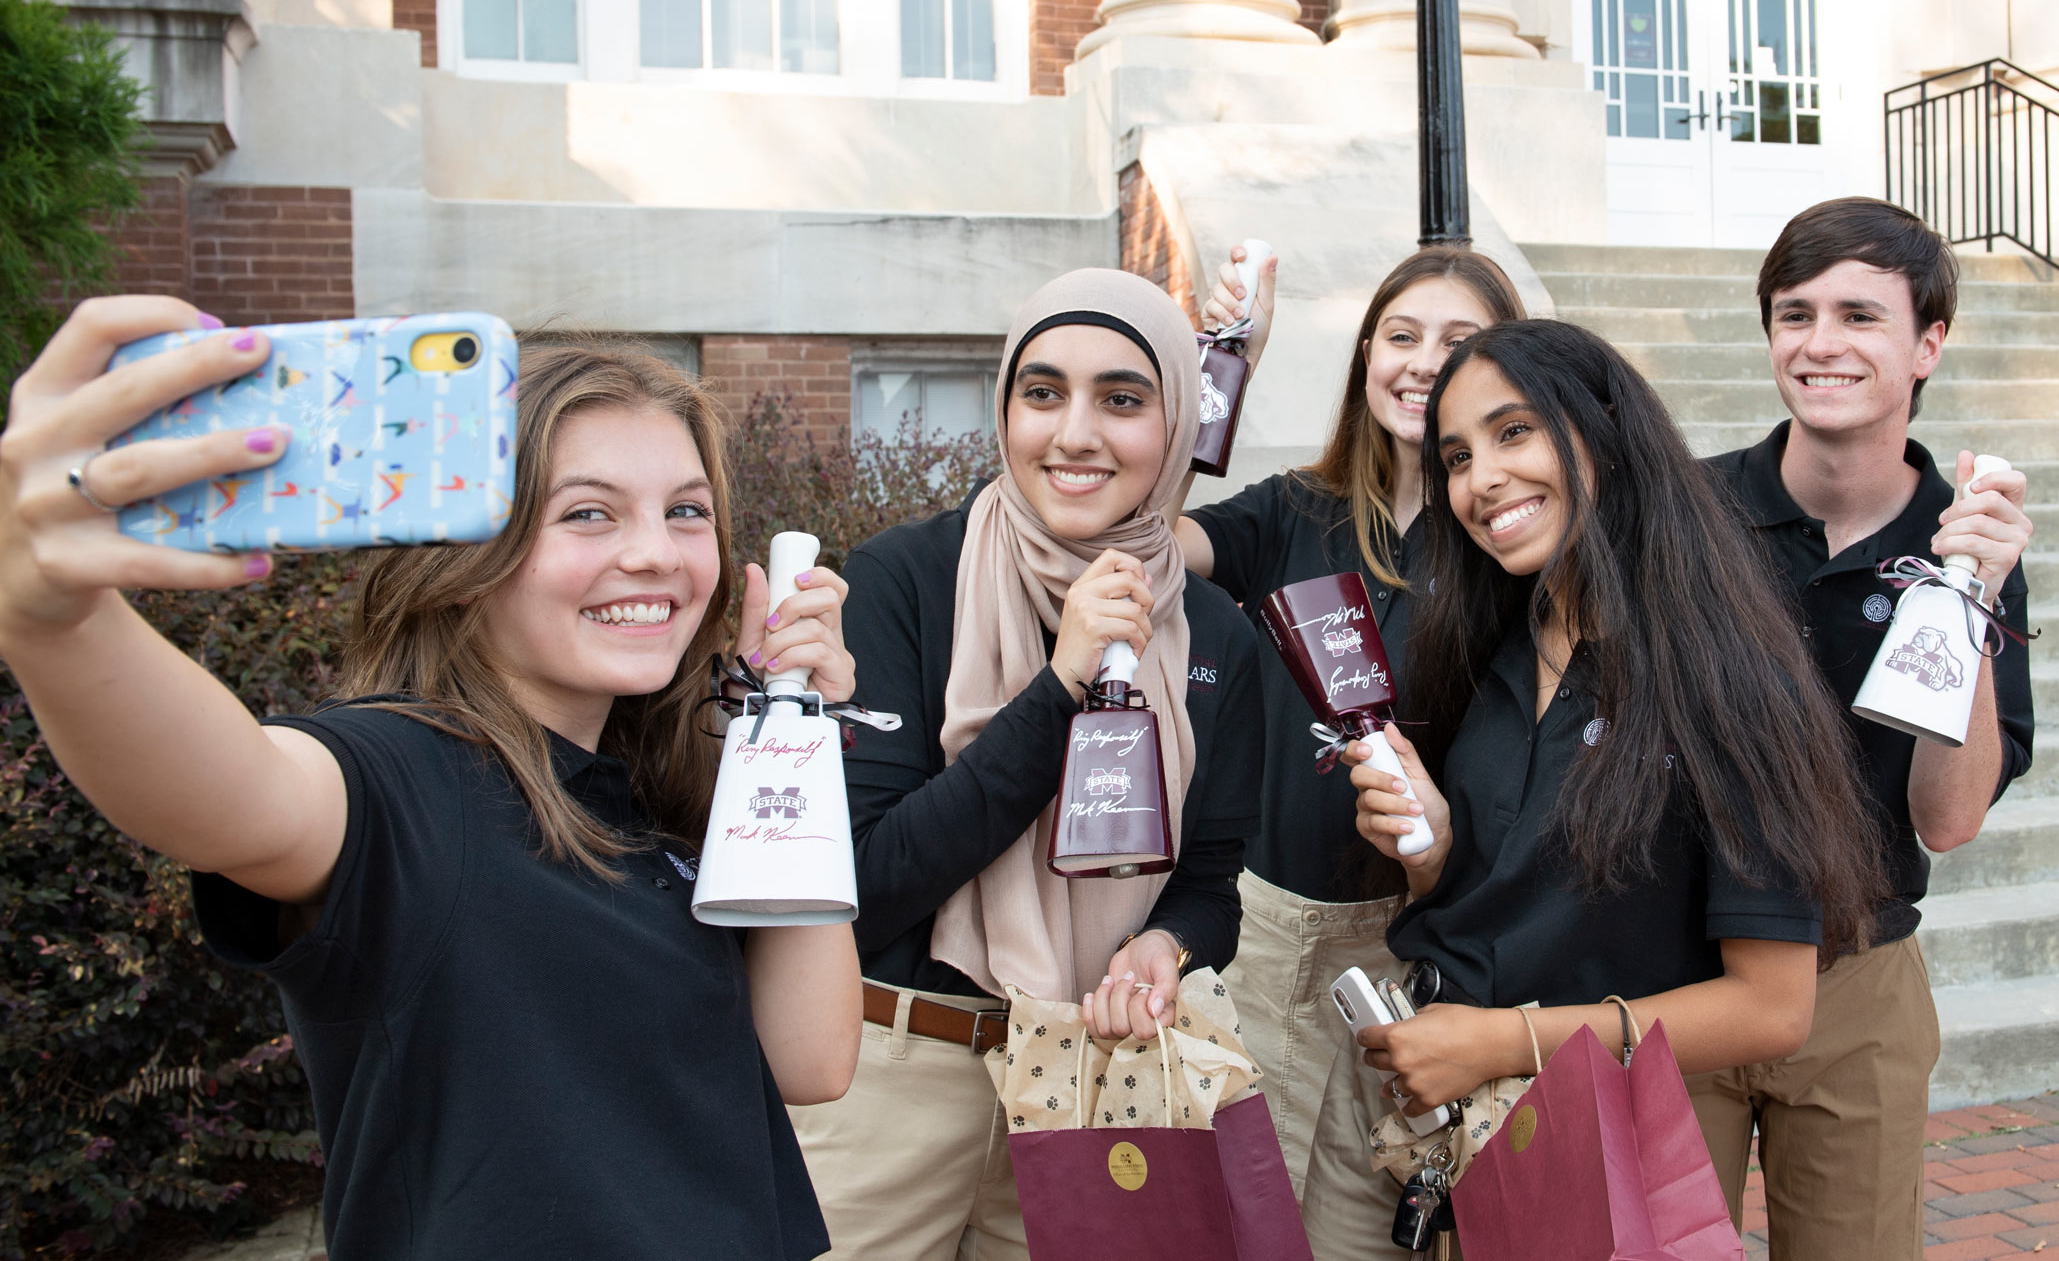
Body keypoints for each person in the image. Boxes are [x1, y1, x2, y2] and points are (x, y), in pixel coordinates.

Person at [0, 302, 864, 1259]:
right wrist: (56, 620)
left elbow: (813, 1057)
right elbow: (231, 794)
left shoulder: (650, 798)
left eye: (687, 511)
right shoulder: (401, 777)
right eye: (587, 512)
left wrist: (786, 727)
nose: (655, 552)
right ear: (463, 551)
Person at [1330, 319, 1887, 1256]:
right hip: (1461, 1138)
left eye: (1515, 433)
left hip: (1609, 1161)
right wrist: (1435, 850)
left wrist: (1504, 1041)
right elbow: (1519, 902)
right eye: (1458, 456)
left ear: (1606, 435)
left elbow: (1772, 1007)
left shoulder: (1727, 676)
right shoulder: (1494, 646)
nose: (1482, 482)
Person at [789, 268, 1264, 1261]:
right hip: (892, 1073)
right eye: (1042, 392)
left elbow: (1210, 884)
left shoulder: (1217, 632)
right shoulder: (904, 579)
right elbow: (868, 881)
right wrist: (1058, 688)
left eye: (1123, 399)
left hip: (1096, 1083)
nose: (1075, 433)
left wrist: (1164, 945)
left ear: (1176, 424)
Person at [1690, 196, 2036, 1261]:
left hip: (1858, 975)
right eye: (1795, 314)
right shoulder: (1688, 515)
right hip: (1678, 967)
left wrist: (1972, 590)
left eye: (1859, 315)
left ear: (1928, 342)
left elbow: (1948, 815)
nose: (1821, 343)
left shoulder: (1968, 542)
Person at [1169, 245, 1523, 1234]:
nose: (1422, 362)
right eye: (1401, 336)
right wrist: (1226, 363)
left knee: (1363, 1234)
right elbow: (1145, 538)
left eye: (1459, 341)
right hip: (1263, 938)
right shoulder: (1293, 512)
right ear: (1366, 356)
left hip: (1413, 951)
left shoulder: (1511, 546)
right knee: (1234, 1226)